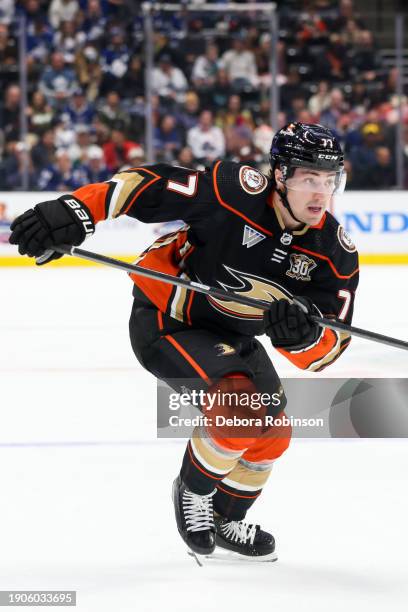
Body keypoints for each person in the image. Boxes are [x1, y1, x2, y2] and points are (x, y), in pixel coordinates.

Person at [8, 122, 359, 561]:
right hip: (167, 318)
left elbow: (328, 351)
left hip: (233, 336)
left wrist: (301, 336)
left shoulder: (334, 252)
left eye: (330, 181)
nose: (321, 193)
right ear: (281, 175)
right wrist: (78, 210)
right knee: (238, 410)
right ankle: (193, 491)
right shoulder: (234, 192)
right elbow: (147, 186)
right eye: (310, 178)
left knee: (275, 432)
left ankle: (227, 518)